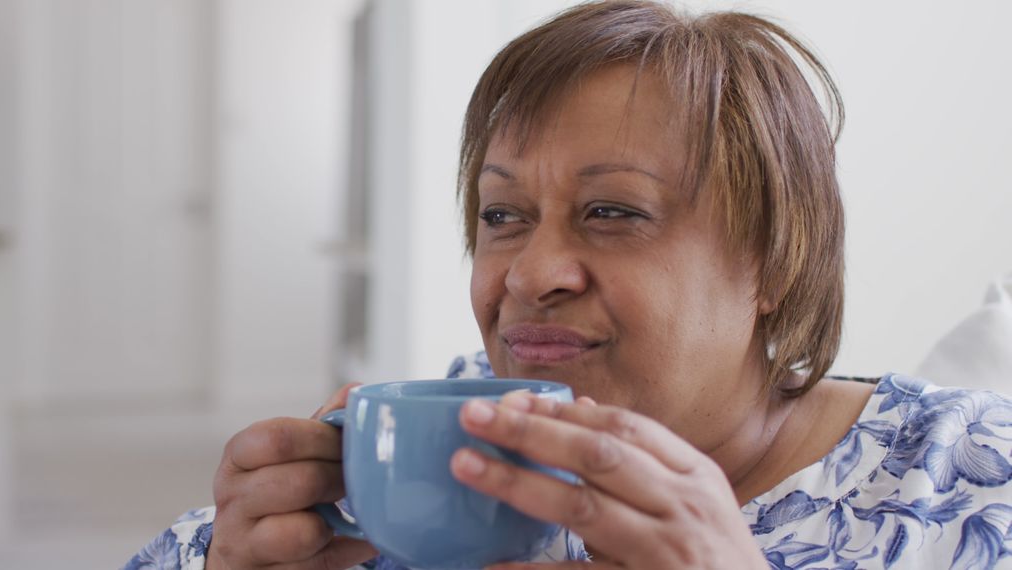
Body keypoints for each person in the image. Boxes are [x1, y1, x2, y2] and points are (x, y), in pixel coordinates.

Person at [126, 1, 1012, 569]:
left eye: (614, 213)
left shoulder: (971, 485)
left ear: (776, 260)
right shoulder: (410, 458)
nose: (530, 275)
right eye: (502, 217)